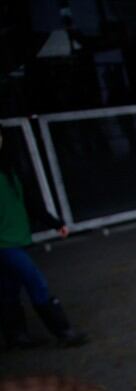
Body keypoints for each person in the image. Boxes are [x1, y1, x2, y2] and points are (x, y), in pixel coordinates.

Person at [0, 125, 87, 348]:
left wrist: (56, 224)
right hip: (5, 244)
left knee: (10, 289)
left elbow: (29, 202)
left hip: (16, 239)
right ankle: (63, 331)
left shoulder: (10, 172)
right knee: (35, 281)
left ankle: (16, 336)